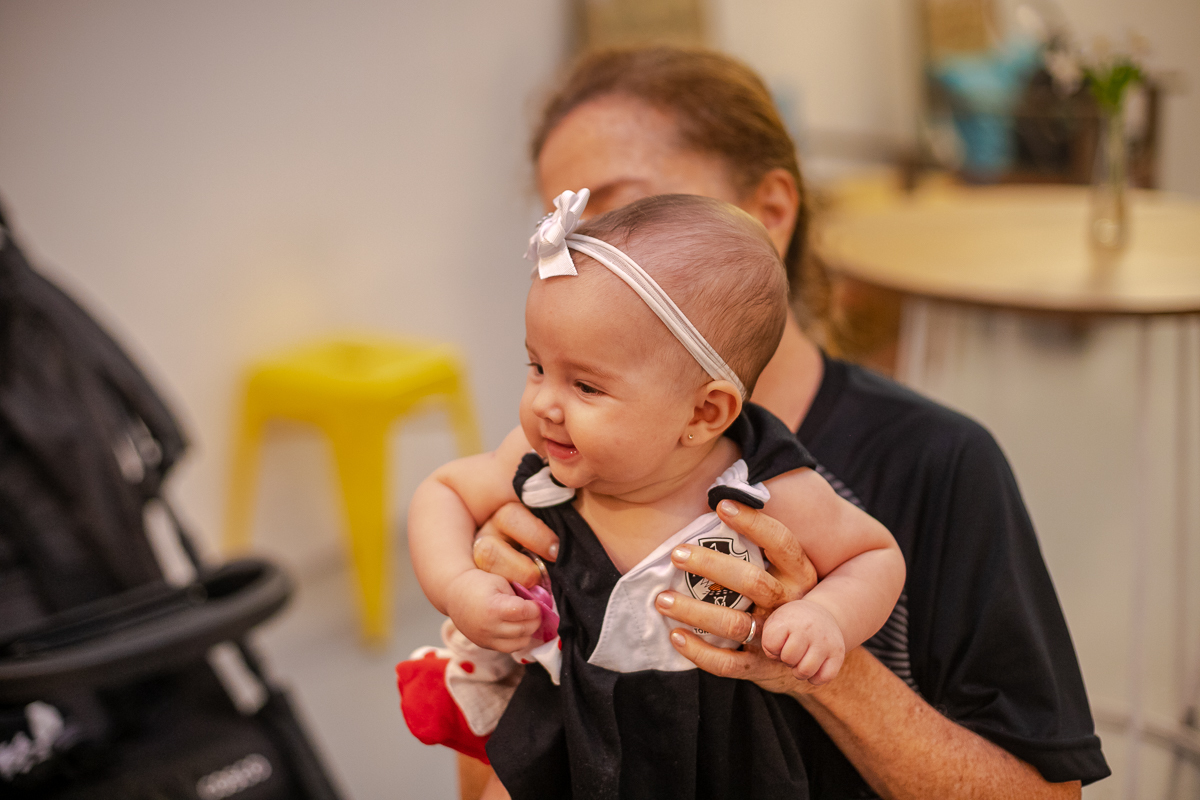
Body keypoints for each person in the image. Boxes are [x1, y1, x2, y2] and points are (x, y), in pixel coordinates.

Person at [464, 46, 1109, 799]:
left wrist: (820, 661)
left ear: (771, 211)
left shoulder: (937, 460)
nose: (585, 259)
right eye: (569, 226)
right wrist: (493, 615)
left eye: (623, 213)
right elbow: (483, 767)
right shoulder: (561, 464)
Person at [403, 191, 906, 799]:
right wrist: (457, 584)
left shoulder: (762, 490)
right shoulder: (537, 462)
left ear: (704, 411)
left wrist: (826, 616)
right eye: (537, 367)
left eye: (586, 386)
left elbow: (874, 556)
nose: (544, 404)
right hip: (564, 730)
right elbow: (443, 492)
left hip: (714, 754)